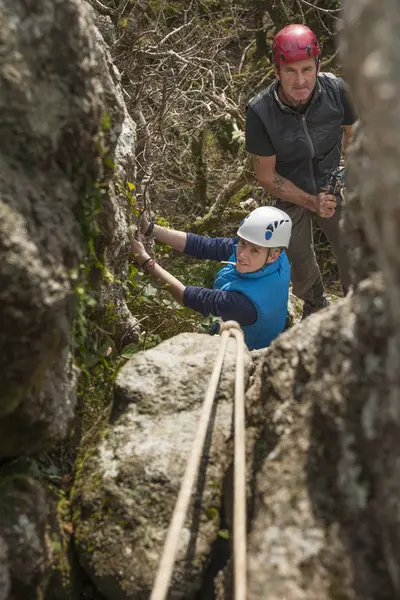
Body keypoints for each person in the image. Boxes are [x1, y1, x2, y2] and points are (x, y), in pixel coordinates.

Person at [245, 24, 357, 318]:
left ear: (318, 66)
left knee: (352, 245)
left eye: (307, 69)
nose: (300, 81)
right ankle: (315, 304)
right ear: (276, 71)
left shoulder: (336, 90)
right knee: (297, 255)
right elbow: (266, 175)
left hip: (332, 181)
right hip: (289, 188)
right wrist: (311, 201)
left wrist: (343, 170)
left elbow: (354, 133)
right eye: (290, 71)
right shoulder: (260, 112)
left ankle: (357, 303)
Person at [131, 206, 292, 351]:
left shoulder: (242, 304)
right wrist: (150, 229)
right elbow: (205, 245)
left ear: (273, 255)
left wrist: (144, 260)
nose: (242, 254)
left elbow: (186, 295)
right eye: (242, 243)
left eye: (254, 251)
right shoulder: (276, 256)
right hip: (270, 331)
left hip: (245, 352)